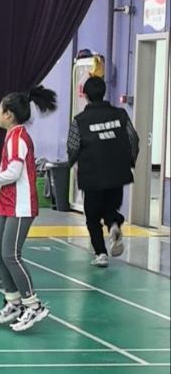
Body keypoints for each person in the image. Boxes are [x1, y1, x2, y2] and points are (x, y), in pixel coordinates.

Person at [0, 85, 57, 332]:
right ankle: (13, 300)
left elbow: (13, 173)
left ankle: (33, 305)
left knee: (11, 254)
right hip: (8, 203)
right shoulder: (12, 136)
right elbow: (6, 168)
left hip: (22, 205)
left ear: (8, 114)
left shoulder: (18, 138)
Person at [65, 75, 139, 266]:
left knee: (92, 217)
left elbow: (73, 146)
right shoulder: (121, 115)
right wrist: (129, 161)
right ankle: (113, 224)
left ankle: (101, 254)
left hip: (92, 175)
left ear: (85, 96)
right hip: (117, 173)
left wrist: (72, 163)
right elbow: (133, 139)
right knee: (110, 207)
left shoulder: (80, 121)